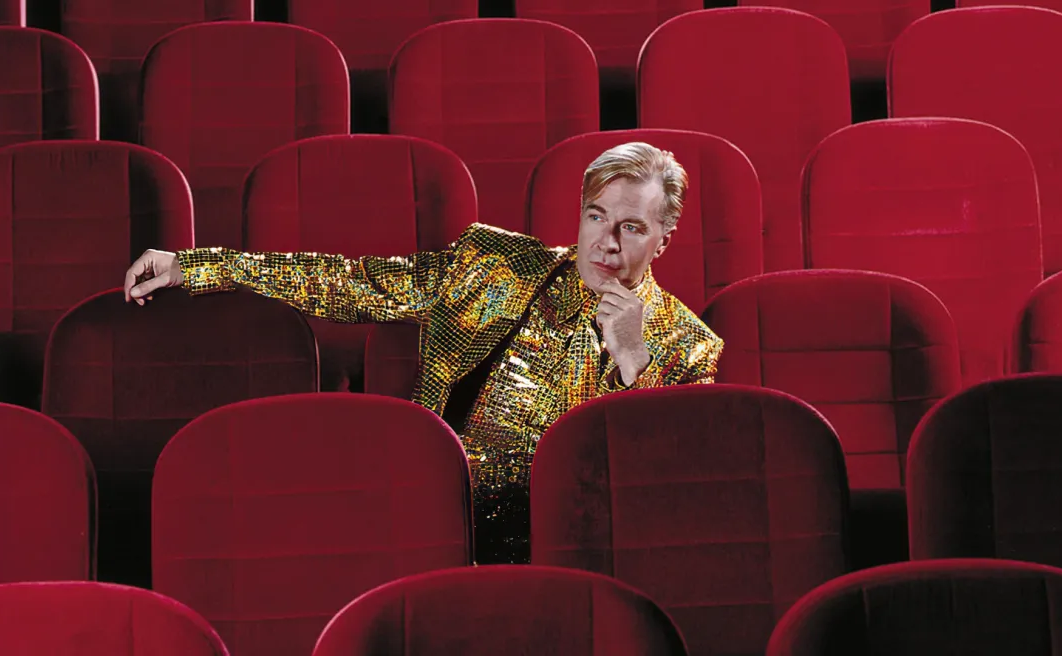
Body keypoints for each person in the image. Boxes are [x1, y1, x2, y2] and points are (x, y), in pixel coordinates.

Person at [123, 142, 724, 564]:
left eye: (633, 228)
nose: (608, 244)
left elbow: (654, 498)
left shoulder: (688, 347)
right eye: (597, 217)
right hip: (430, 522)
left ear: (664, 239)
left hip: (570, 554)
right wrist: (199, 265)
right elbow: (352, 283)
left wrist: (632, 364)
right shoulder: (494, 265)